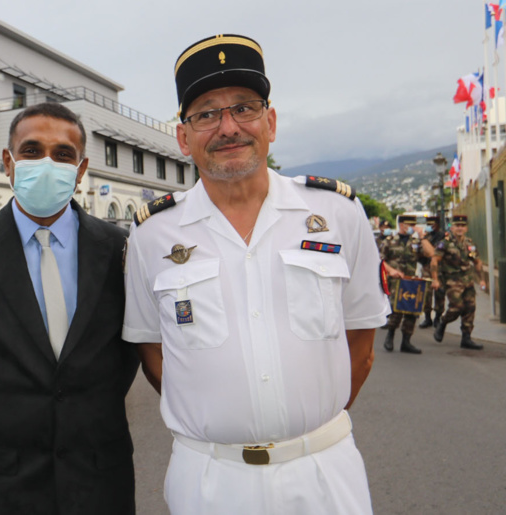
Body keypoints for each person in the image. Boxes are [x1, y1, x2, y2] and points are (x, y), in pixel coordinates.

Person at [122, 34, 390, 514]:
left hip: (323, 472)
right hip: (210, 480)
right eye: (206, 114)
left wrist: (300, 430)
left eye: (244, 108)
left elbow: (361, 345)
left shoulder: (338, 213)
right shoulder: (152, 234)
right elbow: (154, 352)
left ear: (271, 122)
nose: (228, 128)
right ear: (183, 138)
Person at [0, 102, 139, 514]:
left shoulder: (119, 249)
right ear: (9, 162)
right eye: (32, 150)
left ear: (81, 169)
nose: (46, 163)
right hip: (1, 482)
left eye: (63, 154)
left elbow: (127, 353)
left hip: (99, 478)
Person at [379, 214, 434, 353]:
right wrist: (391, 270)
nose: (412, 227)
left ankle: (406, 341)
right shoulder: (389, 241)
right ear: (401, 225)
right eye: (409, 225)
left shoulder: (416, 242)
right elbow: (380, 261)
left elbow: (430, 253)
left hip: (411, 281)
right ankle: (390, 336)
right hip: (395, 281)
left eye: (413, 225)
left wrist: (422, 236)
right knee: (395, 310)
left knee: (412, 311)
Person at [432, 214, 486, 350]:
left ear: (466, 228)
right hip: (452, 281)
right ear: (452, 227)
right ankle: (443, 322)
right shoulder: (445, 243)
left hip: (468, 280)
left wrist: (482, 279)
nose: (460, 228)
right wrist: (435, 279)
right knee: (456, 307)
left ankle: (466, 338)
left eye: (462, 226)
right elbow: (435, 261)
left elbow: (477, 262)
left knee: (470, 308)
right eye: (457, 226)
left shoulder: (469, 244)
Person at [418, 215, 445, 328]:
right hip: (426, 268)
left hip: (439, 269)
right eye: (428, 224)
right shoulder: (426, 237)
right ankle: (427, 317)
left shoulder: (442, 237)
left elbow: (434, 253)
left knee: (440, 294)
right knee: (426, 294)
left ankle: (438, 317)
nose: (430, 226)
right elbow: (420, 251)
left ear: (438, 224)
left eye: (432, 224)